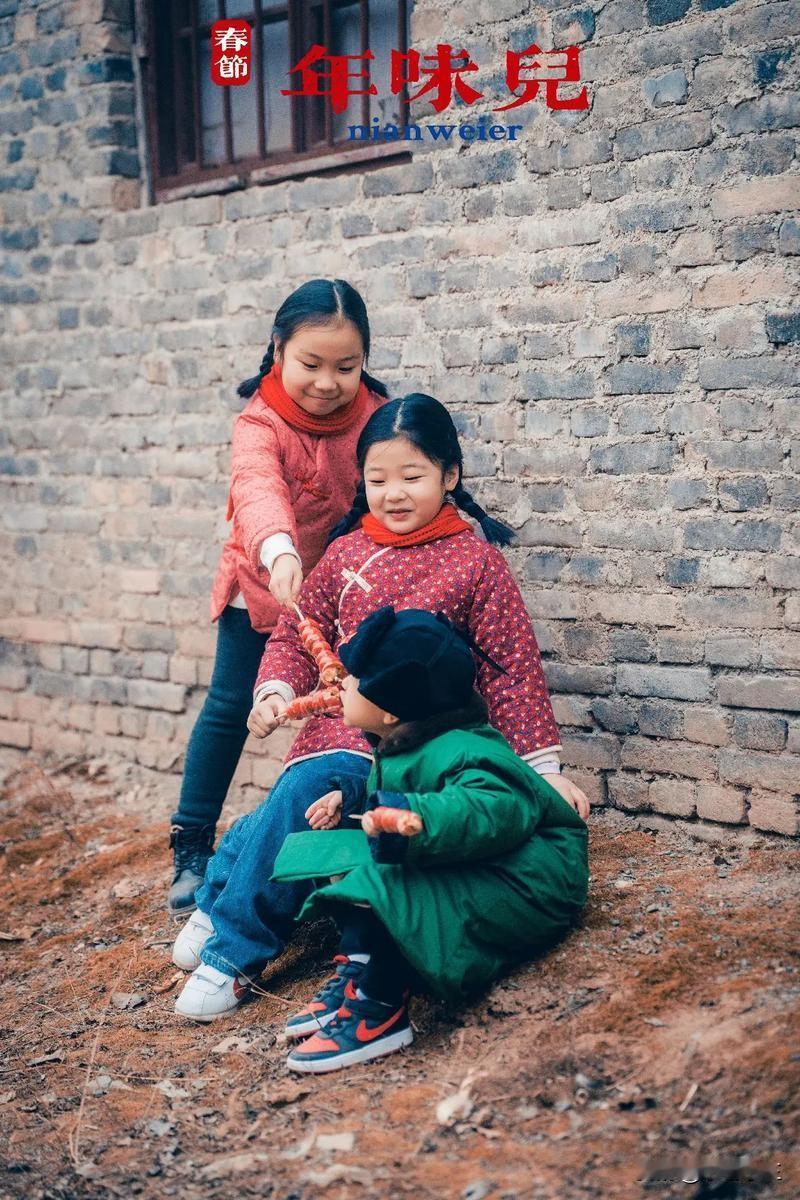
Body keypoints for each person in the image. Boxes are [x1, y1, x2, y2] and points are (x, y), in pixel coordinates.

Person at [170, 394, 590, 1021]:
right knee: (302, 794)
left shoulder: (477, 564)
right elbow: (296, 635)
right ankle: (227, 912)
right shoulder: (344, 555)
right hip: (340, 728)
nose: (393, 494)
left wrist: (543, 769)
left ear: (449, 476)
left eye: (412, 477)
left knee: (293, 802)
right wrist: (277, 690)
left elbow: (512, 671)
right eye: (377, 479)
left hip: (423, 743)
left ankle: (230, 946)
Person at [270, 606, 590, 1072]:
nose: (342, 685)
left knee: (392, 885)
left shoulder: (470, 750)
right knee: (332, 854)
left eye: (354, 680)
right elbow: (415, 789)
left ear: (389, 709)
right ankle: (360, 963)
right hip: (473, 854)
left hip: (529, 877)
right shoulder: (406, 737)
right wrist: (353, 798)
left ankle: (379, 1009)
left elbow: (489, 811)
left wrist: (415, 815)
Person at [167, 278, 388, 914]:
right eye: (310, 364)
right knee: (230, 703)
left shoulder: (376, 416)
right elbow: (258, 487)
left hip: (346, 589)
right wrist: (279, 551)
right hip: (264, 581)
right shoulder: (259, 421)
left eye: (345, 367)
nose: (327, 382)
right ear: (278, 349)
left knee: (358, 706)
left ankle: (355, 829)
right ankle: (191, 844)